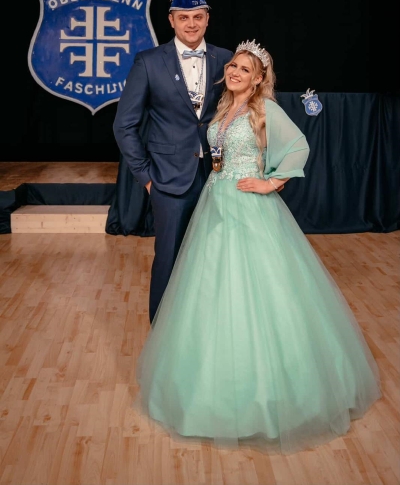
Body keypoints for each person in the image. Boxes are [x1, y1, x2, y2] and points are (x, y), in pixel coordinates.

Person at [134, 40, 381, 455]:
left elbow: (299, 146)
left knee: (261, 289)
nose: (234, 72)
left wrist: (272, 182)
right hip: (216, 203)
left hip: (248, 206)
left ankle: (273, 397)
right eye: (232, 65)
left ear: (259, 78)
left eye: (244, 69)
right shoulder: (222, 108)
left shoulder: (264, 109)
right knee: (210, 287)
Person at [113, 0, 233, 323]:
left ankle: (205, 331)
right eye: (184, 17)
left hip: (217, 179)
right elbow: (124, 125)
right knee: (167, 260)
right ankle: (162, 338)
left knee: (214, 259)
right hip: (167, 180)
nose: (191, 23)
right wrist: (146, 177)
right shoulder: (148, 62)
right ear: (171, 21)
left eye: (197, 16)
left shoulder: (227, 60)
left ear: (207, 19)